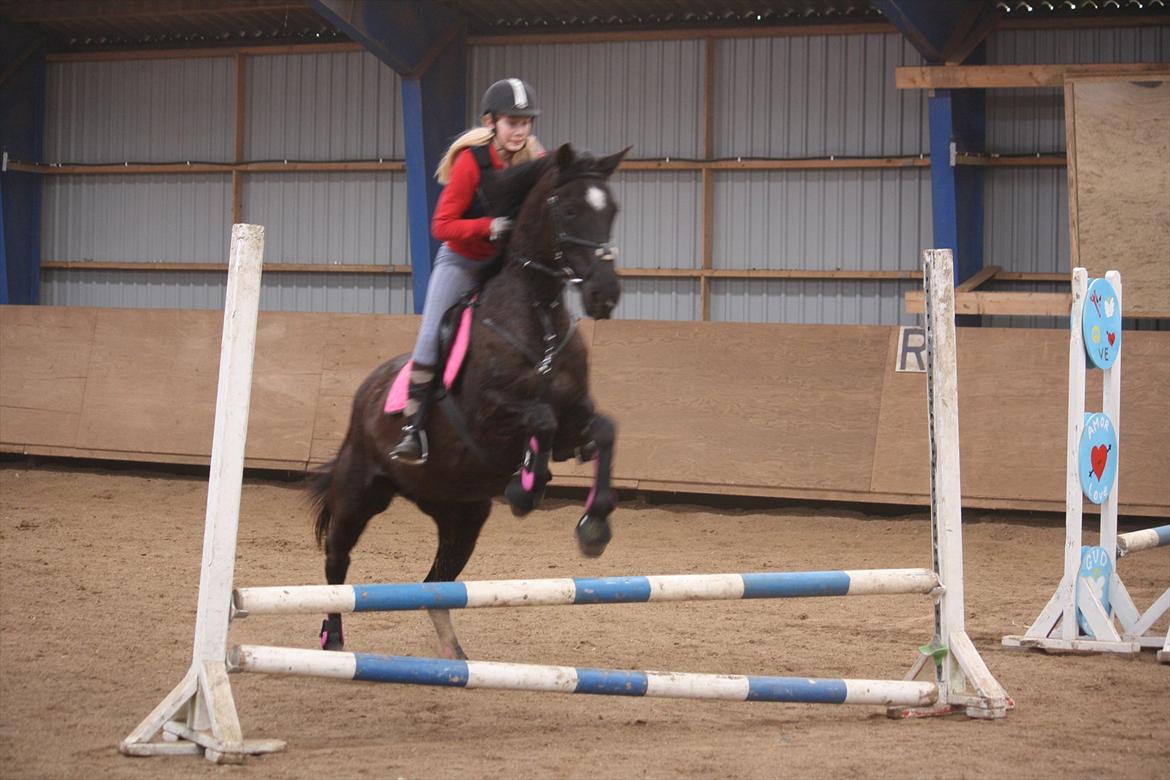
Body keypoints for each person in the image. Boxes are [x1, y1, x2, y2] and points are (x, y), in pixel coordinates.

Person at [390, 78, 547, 464]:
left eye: (526, 123)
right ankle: (413, 429)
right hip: (462, 261)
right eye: (513, 123)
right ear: (491, 122)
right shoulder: (470, 163)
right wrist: (488, 226)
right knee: (431, 335)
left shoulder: (534, 158)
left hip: (506, 265)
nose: (520, 131)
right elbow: (441, 225)